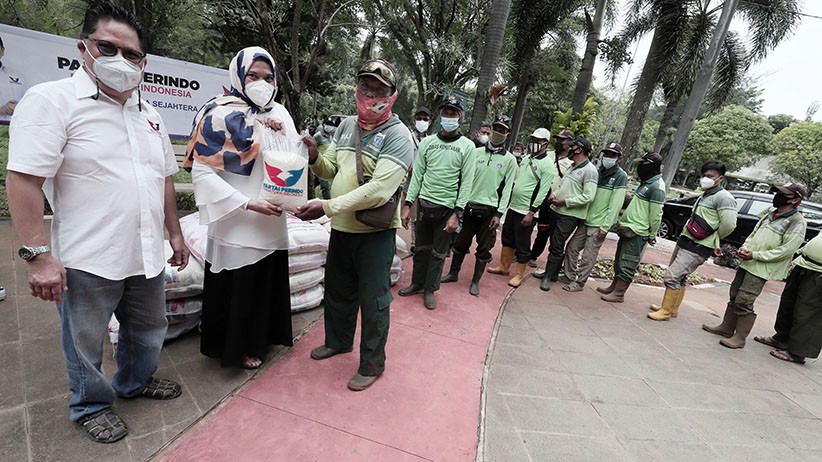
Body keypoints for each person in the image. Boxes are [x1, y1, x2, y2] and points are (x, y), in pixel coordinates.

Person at [6, 2, 188, 443]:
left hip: (145, 253)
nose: (120, 60)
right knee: (84, 341)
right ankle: (90, 404)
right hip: (88, 258)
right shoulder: (53, 101)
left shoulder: (150, 114)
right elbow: (24, 178)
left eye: (131, 54)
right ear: (83, 48)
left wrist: (175, 233)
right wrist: (38, 256)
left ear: (143, 62)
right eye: (108, 47)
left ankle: (135, 382)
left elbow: (164, 177)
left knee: (148, 330)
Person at [294, 58, 413, 391]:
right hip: (342, 230)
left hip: (375, 234)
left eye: (379, 89)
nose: (371, 94)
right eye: (366, 85)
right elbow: (331, 168)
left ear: (392, 95)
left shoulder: (399, 135)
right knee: (338, 290)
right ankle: (338, 341)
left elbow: (379, 191)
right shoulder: (348, 125)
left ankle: (372, 363)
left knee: (374, 301)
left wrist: (327, 207)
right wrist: (315, 156)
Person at [185, 46, 295, 370]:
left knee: (263, 284)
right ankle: (235, 348)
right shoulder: (219, 113)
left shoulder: (281, 113)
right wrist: (246, 203)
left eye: (268, 78)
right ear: (238, 76)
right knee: (239, 285)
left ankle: (262, 340)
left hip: (271, 219)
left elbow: (292, 162)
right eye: (253, 76)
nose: (262, 83)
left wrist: (284, 137)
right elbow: (202, 172)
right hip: (237, 219)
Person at [703, 183, 807, 349]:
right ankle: (726, 328)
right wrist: (745, 248)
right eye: (778, 192)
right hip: (748, 261)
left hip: (762, 268)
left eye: (783, 194)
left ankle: (740, 338)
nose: (778, 196)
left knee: (745, 300)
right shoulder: (770, 213)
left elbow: (787, 249)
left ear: (795, 200)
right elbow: (754, 234)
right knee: (734, 295)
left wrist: (756, 255)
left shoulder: (797, 222)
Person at [399, 95, 476, 309]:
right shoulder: (428, 143)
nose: (449, 117)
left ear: (460, 117)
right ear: (441, 115)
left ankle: (430, 289)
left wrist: (457, 213)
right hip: (424, 205)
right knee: (420, 248)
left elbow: (466, 182)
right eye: (446, 113)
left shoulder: (467, 146)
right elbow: (417, 176)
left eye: (453, 113)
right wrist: (408, 205)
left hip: (447, 209)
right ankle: (417, 283)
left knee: (438, 253)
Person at [648, 161, 737, 321]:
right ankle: (671, 308)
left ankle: (666, 311)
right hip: (686, 240)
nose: (705, 179)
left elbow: (729, 225)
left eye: (710, 176)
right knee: (680, 277)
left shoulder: (724, 198)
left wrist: (713, 238)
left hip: (698, 246)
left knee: (672, 277)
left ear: (721, 178)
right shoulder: (706, 194)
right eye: (704, 175)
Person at [441, 114, 517, 296]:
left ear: (507, 134)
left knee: (484, 248)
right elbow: (464, 179)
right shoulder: (476, 153)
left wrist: (499, 214)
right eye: (496, 128)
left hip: (490, 212)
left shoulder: (510, 160)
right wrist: (459, 206)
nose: (498, 132)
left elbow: (507, 189)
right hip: (469, 206)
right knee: (460, 243)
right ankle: (453, 273)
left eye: (502, 130)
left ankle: (475, 281)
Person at [487, 128, 556, 287]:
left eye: (537, 141)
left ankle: (519, 274)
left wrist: (532, 212)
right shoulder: (526, 159)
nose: (534, 143)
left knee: (522, 243)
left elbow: (543, 191)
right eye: (533, 140)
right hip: (514, 206)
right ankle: (504, 266)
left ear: (545, 144)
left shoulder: (547, 165)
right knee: (508, 237)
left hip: (527, 210)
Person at [598, 152, 666, 303]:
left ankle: (619, 293)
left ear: (651, 166)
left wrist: (652, 234)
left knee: (628, 263)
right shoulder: (647, 182)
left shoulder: (657, 187)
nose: (640, 167)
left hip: (638, 231)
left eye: (643, 163)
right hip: (629, 228)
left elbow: (656, 214)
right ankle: (614, 287)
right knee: (619, 261)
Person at [560, 142, 628, 292]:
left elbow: (616, 205)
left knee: (588, 256)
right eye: (606, 154)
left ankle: (580, 283)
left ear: (619, 158)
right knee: (572, 248)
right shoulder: (598, 171)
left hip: (599, 224)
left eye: (612, 155)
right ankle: (569, 276)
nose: (608, 157)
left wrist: (605, 227)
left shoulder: (620, 176)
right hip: (586, 220)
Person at [537, 137, 599, 291]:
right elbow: (563, 186)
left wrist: (566, 202)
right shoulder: (572, 167)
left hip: (569, 215)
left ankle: (548, 277)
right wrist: (554, 195)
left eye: (572, 147)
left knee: (557, 245)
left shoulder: (590, 170)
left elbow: (588, 196)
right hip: (556, 210)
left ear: (580, 149)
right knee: (554, 243)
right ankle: (551, 273)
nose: (569, 149)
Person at [754, 233, 822, 364]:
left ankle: (798, 352)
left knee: (807, 312)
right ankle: (782, 338)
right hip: (804, 264)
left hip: (819, 273)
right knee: (788, 303)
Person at [529, 129, 575, 268]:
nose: (559, 142)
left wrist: (555, 195)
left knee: (543, 231)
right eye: (558, 139)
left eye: (562, 140)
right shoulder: (547, 155)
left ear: (570, 142)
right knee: (527, 224)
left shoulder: (571, 162)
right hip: (536, 195)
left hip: (551, 200)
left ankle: (533, 255)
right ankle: (521, 251)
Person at [313, 115, 342, 199]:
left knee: (315, 182)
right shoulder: (318, 136)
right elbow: (313, 148)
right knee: (325, 186)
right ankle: (327, 202)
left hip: (329, 163)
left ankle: (308, 193)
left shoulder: (332, 136)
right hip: (321, 163)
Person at [0, 35, 26, 122]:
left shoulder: (17, 76)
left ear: (2, 50)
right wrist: (2, 110)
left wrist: (19, 106)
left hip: (16, 127)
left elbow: (30, 101)